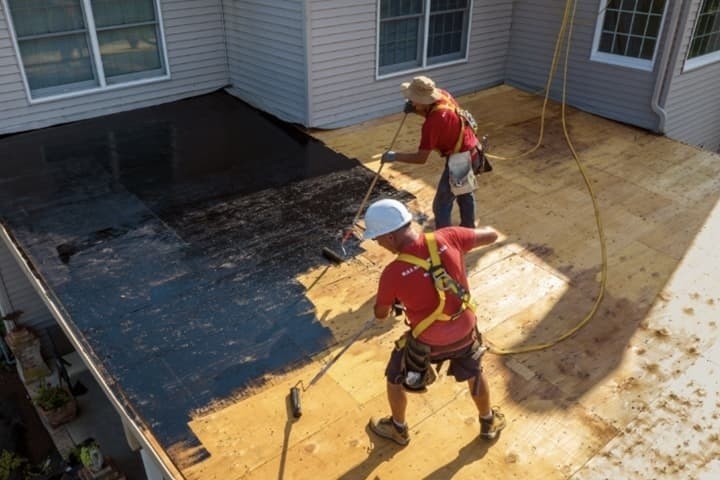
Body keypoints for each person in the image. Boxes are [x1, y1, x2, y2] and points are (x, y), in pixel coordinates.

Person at [364, 198, 506, 446]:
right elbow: (492, 235)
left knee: (394, 377)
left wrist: (399, 298)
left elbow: (380, 314)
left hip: (427, 341)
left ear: (389, 237)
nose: (379, 245)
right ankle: (488, 421)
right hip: (464, 332)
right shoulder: (449, 237)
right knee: (474, 370)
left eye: (378, 240)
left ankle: (398, 429)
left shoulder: (393, 273)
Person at [381, 76, 486, 229]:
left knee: (442, 203)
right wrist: (416, 111)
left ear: (424, 100)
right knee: (464, 193)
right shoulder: (443, 94)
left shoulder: (433, 124)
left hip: (461, 158)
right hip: (470, 147)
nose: (411, 102)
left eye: (414, 99)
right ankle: (469, 229)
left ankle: (444, 237)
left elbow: (421, 158)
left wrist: (394, 156)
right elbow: (433, 112)